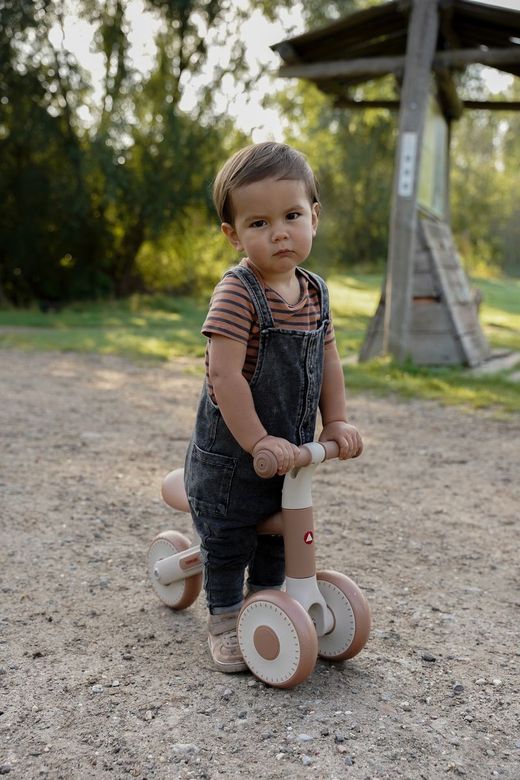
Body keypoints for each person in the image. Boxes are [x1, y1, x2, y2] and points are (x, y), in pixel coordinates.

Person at [184, 141, 363, 673]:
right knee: (230, 534)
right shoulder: (237, 293)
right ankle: (223, 616)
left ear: (314, 216)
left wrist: (336, 422)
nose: (279, 231)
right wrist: (257, 439)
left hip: (286, 456)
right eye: (258, 223)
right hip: (235, 458)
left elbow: (329, 360)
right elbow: (223, 375)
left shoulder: (316, 293)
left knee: (283, 531)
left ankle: (269, 603)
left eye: (290, 216)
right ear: (233, 235)